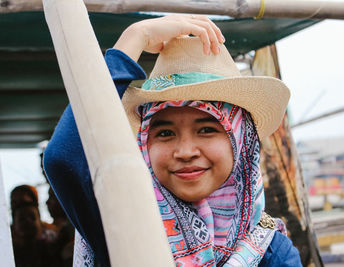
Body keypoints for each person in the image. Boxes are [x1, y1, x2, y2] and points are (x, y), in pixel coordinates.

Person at [44, 15, 301, 266]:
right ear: (145, 144)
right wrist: (135, 37)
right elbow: (64, 160)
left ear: (241, 142)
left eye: (207, 130)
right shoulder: (121, 224)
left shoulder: (272, 252)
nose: (185, 151)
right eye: (165, 133)